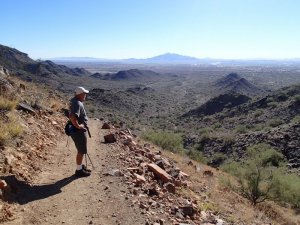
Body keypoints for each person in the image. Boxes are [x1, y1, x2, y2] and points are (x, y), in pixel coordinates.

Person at [69, 86, 91, 177]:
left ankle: (80, 166)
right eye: (84, 93)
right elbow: (73, 117)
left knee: (81, 149)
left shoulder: (74, 101)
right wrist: (78, 126)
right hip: (78, 131)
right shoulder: (77, 103)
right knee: (81, 150)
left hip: (77, 130)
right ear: (80, 94)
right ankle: (79, 171)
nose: (85, 95)